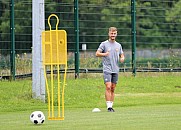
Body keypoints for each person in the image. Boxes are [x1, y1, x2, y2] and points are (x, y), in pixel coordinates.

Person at [95, 27, 124, 112]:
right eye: (111, 33)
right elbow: (97, 53)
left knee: (113, 88)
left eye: (114, 34)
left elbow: (122, 55)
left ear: (116, 34)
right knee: (108, 86)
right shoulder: (104, 44)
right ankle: (108, 107)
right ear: (109, 34)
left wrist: (122, 58)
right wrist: (105, 54)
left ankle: (111, 105)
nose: (113, 35)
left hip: (115, 69)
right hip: (107, 69)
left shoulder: (118, 45)